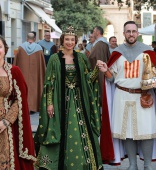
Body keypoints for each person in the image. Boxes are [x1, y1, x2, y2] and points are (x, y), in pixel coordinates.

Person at [98, 21, 156, 170]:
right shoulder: (117, 53)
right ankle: (132, 165)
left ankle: (148, 165)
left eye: (134, 31)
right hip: (122, 96)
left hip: (143, 97)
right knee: (127, 132)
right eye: (128, 31)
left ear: (138, 33)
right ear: (123, 34)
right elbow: (112, 78)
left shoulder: (148, 52)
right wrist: (105, 71)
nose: (131, 34)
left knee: (147, 131)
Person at [34, 26, 103, 170]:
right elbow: (49, 83)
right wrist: (49, 103)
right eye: (67, 39)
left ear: (75, 41)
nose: (70, 42)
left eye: (72, 40)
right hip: (60, 102)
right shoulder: (54, 59)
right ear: (62, 41)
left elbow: (87, 80)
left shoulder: (81, 57)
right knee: (57, 130)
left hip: (79, 101)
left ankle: (84, 164)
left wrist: (97, 69)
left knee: (81, 132)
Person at [0, 35, 36, 169]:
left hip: (7, 124)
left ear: (5, 49)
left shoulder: (14, 71)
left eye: (0, 47)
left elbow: (20, 99)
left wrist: (6, 121)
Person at [13, 32, 46, 113]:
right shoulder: (39, 48)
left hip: (22, 74)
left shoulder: (21, 48)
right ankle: (33, 107)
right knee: (34, 88)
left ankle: (24, 106)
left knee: (23, 88)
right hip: (35, 76)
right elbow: (42, 65)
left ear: (26, 38)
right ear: (34, 38)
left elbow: (15, 62)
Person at [88, 26, 110, 103]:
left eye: (94, 31)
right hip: (104, 69)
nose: (93, 33)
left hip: (99, 70)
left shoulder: (99, 44)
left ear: (97, 32)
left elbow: (92, 57)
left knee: (101, 88)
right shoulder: (104, 43)